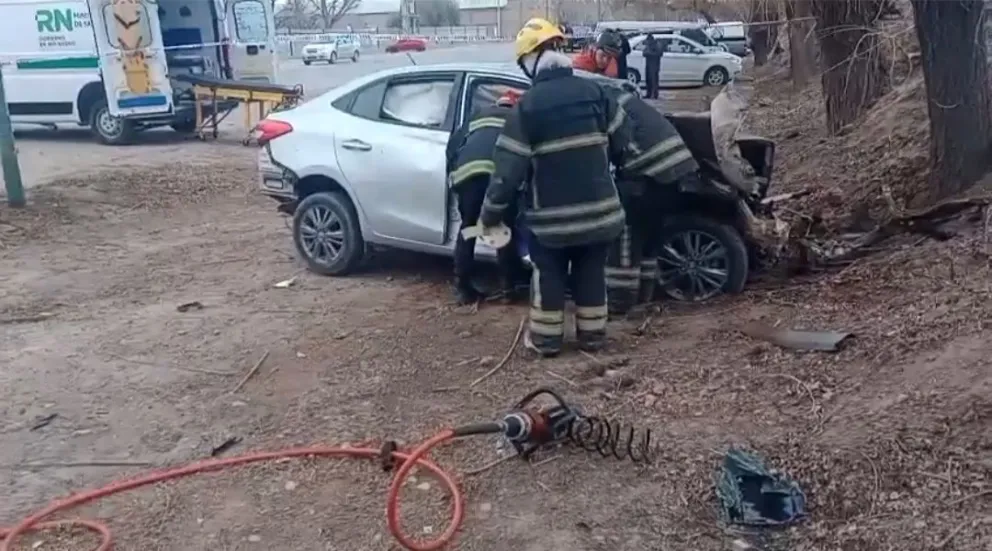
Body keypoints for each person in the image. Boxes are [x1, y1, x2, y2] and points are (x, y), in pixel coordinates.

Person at [480, 18, 632, 357]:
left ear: (531, 60)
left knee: (548, 275)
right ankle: (593, 339)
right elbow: (625, 139)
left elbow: (507, 173)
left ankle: (547, 342)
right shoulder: (596, 93)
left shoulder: (527, 108)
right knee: (591, 273)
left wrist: (490, 214)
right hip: (601, 214)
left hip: (553, 222)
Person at [600, 85, 699, 314]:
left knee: (624, 236)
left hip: (649, 175)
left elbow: (604, 149)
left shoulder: (600, 106)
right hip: (676, 174)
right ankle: (645, 297)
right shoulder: (619, 97)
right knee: (647, 238)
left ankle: (620, 304)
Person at [445, 89, 528, 305]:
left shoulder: (478, 115)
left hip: (467, 176)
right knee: (501, 226)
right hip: (496, 177)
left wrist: (453, 173)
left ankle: (462, 287)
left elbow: (453, 145)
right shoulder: (517, 119)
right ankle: (509, 287)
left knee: (469, 228)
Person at [642, 33, 663, 99]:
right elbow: (644, 53)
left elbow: (659, 53)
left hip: (654, 65)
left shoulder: (657, 45)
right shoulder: (648, 45)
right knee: (648, 80)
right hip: (648, 64)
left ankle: (655, 94)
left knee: (654, 80)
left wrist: (649, 53)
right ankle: (648, 94)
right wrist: (647, 52)